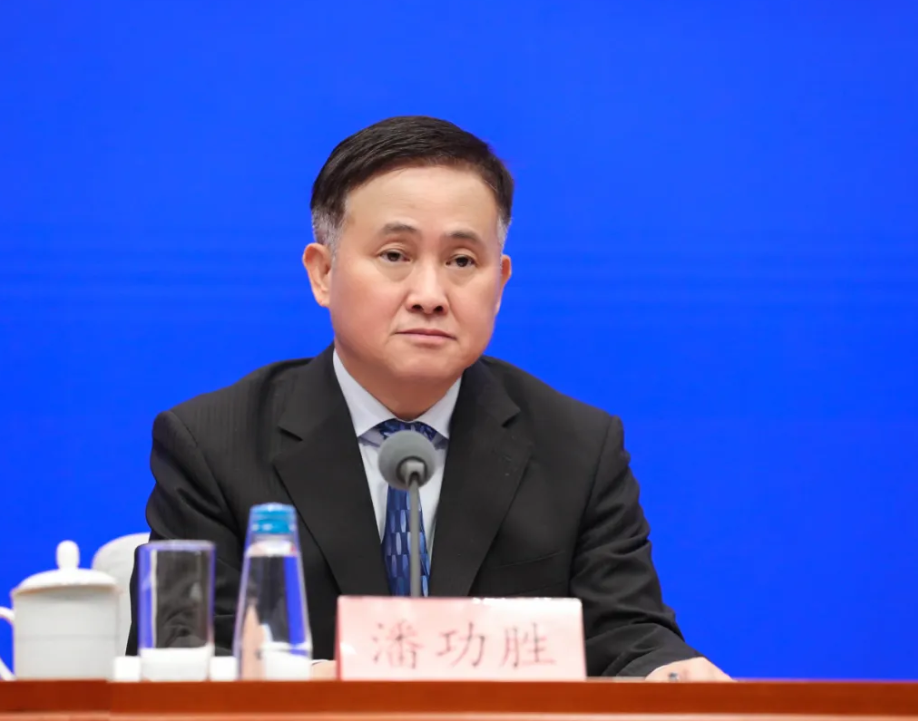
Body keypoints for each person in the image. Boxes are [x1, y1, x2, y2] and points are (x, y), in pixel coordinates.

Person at [126, 115, 730, 681]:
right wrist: (315, 687)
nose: (430, 294)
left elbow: (627, 634)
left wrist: (670, 675)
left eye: (462, 260)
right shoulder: (213, 444)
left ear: (500, 284)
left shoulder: (578, 447)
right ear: (323, 273)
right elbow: (180, 655)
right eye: (395, 255)